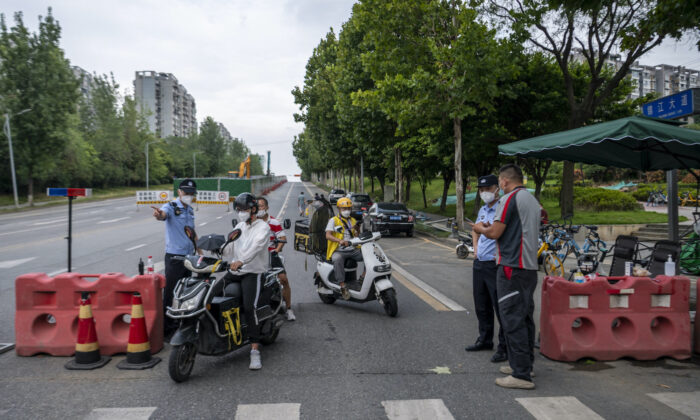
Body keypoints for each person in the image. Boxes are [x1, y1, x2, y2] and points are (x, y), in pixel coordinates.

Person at [471, 164, 540, 390]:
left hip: (512, 265)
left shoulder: (509, 199)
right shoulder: (531, 199)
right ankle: (524, 365)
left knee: (512, 319)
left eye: (499, 182)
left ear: (503, 182)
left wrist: (481, 229)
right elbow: (514, 229)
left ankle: (520, 374)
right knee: (525, 317)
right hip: (529, 266)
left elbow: (495, 233)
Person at [224, 192, 271, 370]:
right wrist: (219, 251)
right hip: (235, 271)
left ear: (253, 209)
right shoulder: (240, 226)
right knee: (212, 294)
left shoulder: (263, 227)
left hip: (252, 272)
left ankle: (254, 351)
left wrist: (242, 261)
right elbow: (230, 248)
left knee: (249, 307)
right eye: (238, 209)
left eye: (244, 209)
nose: (241, 212)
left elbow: (256, 247)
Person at [465, 174, 507, 364]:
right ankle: (484, 339)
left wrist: (484, 230)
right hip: (480, 262)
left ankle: (504, 347)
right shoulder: (483, 209)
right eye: (481, 190)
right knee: (481, 305)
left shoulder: (502, 209)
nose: (484, 193)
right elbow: (476, 229)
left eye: (488, 189)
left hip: (494, 263)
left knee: (499, 306)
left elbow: (496, 232)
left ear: (497, 189)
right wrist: (475, 250)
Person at [152, 178, 199, 339]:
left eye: (191, 193)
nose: (188, 195)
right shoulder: (171, 207)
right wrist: (159, 214)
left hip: (189, 257)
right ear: (179, 192)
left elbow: (192, 233)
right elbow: (162, 215)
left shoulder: (190, 210)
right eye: (186, 192)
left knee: (185, 293)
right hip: (174, 257)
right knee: (171, 294)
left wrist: (199, 251)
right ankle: (167, 329)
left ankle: (180, 323)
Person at [257, 197, 296, 321]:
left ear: (267, 207)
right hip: (255, 256)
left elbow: (282, 239)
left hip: (271, 254)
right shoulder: (252, 222)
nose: (259, 209)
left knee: (284, 279)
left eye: (262, 206)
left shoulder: (274, 222)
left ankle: (289, 309)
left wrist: (276, 251)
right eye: (257, 207)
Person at [325, 197, 362, 300]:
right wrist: (339, 241)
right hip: (339, 250)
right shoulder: (333, 220)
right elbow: (328, 235)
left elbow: (356, 235)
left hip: (353, 249)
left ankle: (362, 279)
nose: (347, 211)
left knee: (369, 256)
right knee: (337, 259)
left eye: (348, 208)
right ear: (339, 209)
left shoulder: (353, 220)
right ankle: (342, 286)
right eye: (344, 209)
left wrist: (357, 229)